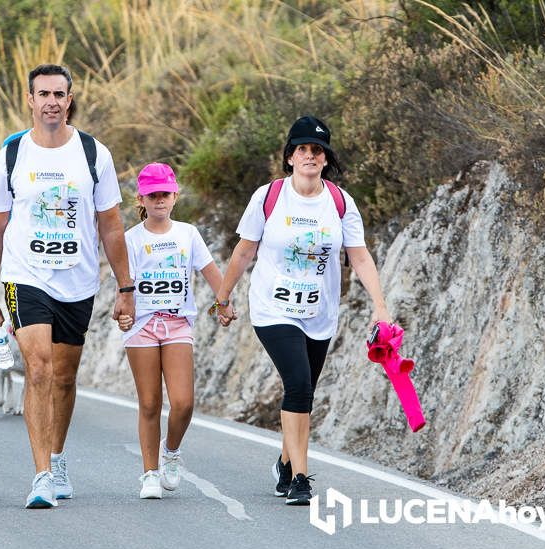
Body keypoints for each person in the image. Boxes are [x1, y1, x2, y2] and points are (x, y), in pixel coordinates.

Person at [0, 64, 134, 509]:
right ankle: (41, 475)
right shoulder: (10, 156)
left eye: (58, 94)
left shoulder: (92, 154)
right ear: (29, 99)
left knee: (64, 378)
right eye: (42, 93)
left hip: (77, 281)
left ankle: (58, 459)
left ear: (69, 99)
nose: (50, 101)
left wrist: (126, 288)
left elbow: (112, 225)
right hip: (25, 277)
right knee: (39, 369)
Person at [214, 115, 392, 506]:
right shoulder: (269, 196)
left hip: (319, 312)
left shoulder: (341, 203)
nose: (310, 156)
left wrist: (380, 307)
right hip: (272, 309)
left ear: (326, 159)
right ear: (290, 157)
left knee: (303, 389)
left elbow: (359, 258)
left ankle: (284, 460)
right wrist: (223, 297)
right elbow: (245, 250)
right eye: (302, 150)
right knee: (298, 384)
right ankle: (300, 477)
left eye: (317, 150)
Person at [116, 163, 223, 499]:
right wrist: (121, 313)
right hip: (143, 326)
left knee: (183, 402)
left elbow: (210, 271)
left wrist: (224, 302)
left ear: (175, 196)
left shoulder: (187, 234)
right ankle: (149, 473)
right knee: (149, 402)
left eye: (165, 193)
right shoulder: (131, 239)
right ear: (141, 199)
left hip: (178, 323)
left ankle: (171, 452)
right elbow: (124, 286)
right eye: (153, 194)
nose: (159, 200)